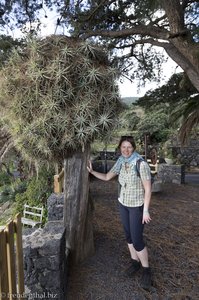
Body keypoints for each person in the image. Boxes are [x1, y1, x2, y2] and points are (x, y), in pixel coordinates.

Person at [87, 136, 152, 290]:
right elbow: (108, 177)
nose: (126, 150)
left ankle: (146, 270)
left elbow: (148, 189)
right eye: (123, 147)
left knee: (137, 240)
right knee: (128, 236)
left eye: (129, 147)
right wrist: (92, 172)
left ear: (134, 148)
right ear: (120, 148)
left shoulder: (140, 164)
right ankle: (135, 262)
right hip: (123, 204)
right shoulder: (121, 161)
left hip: (137, 207)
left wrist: (146, 211)